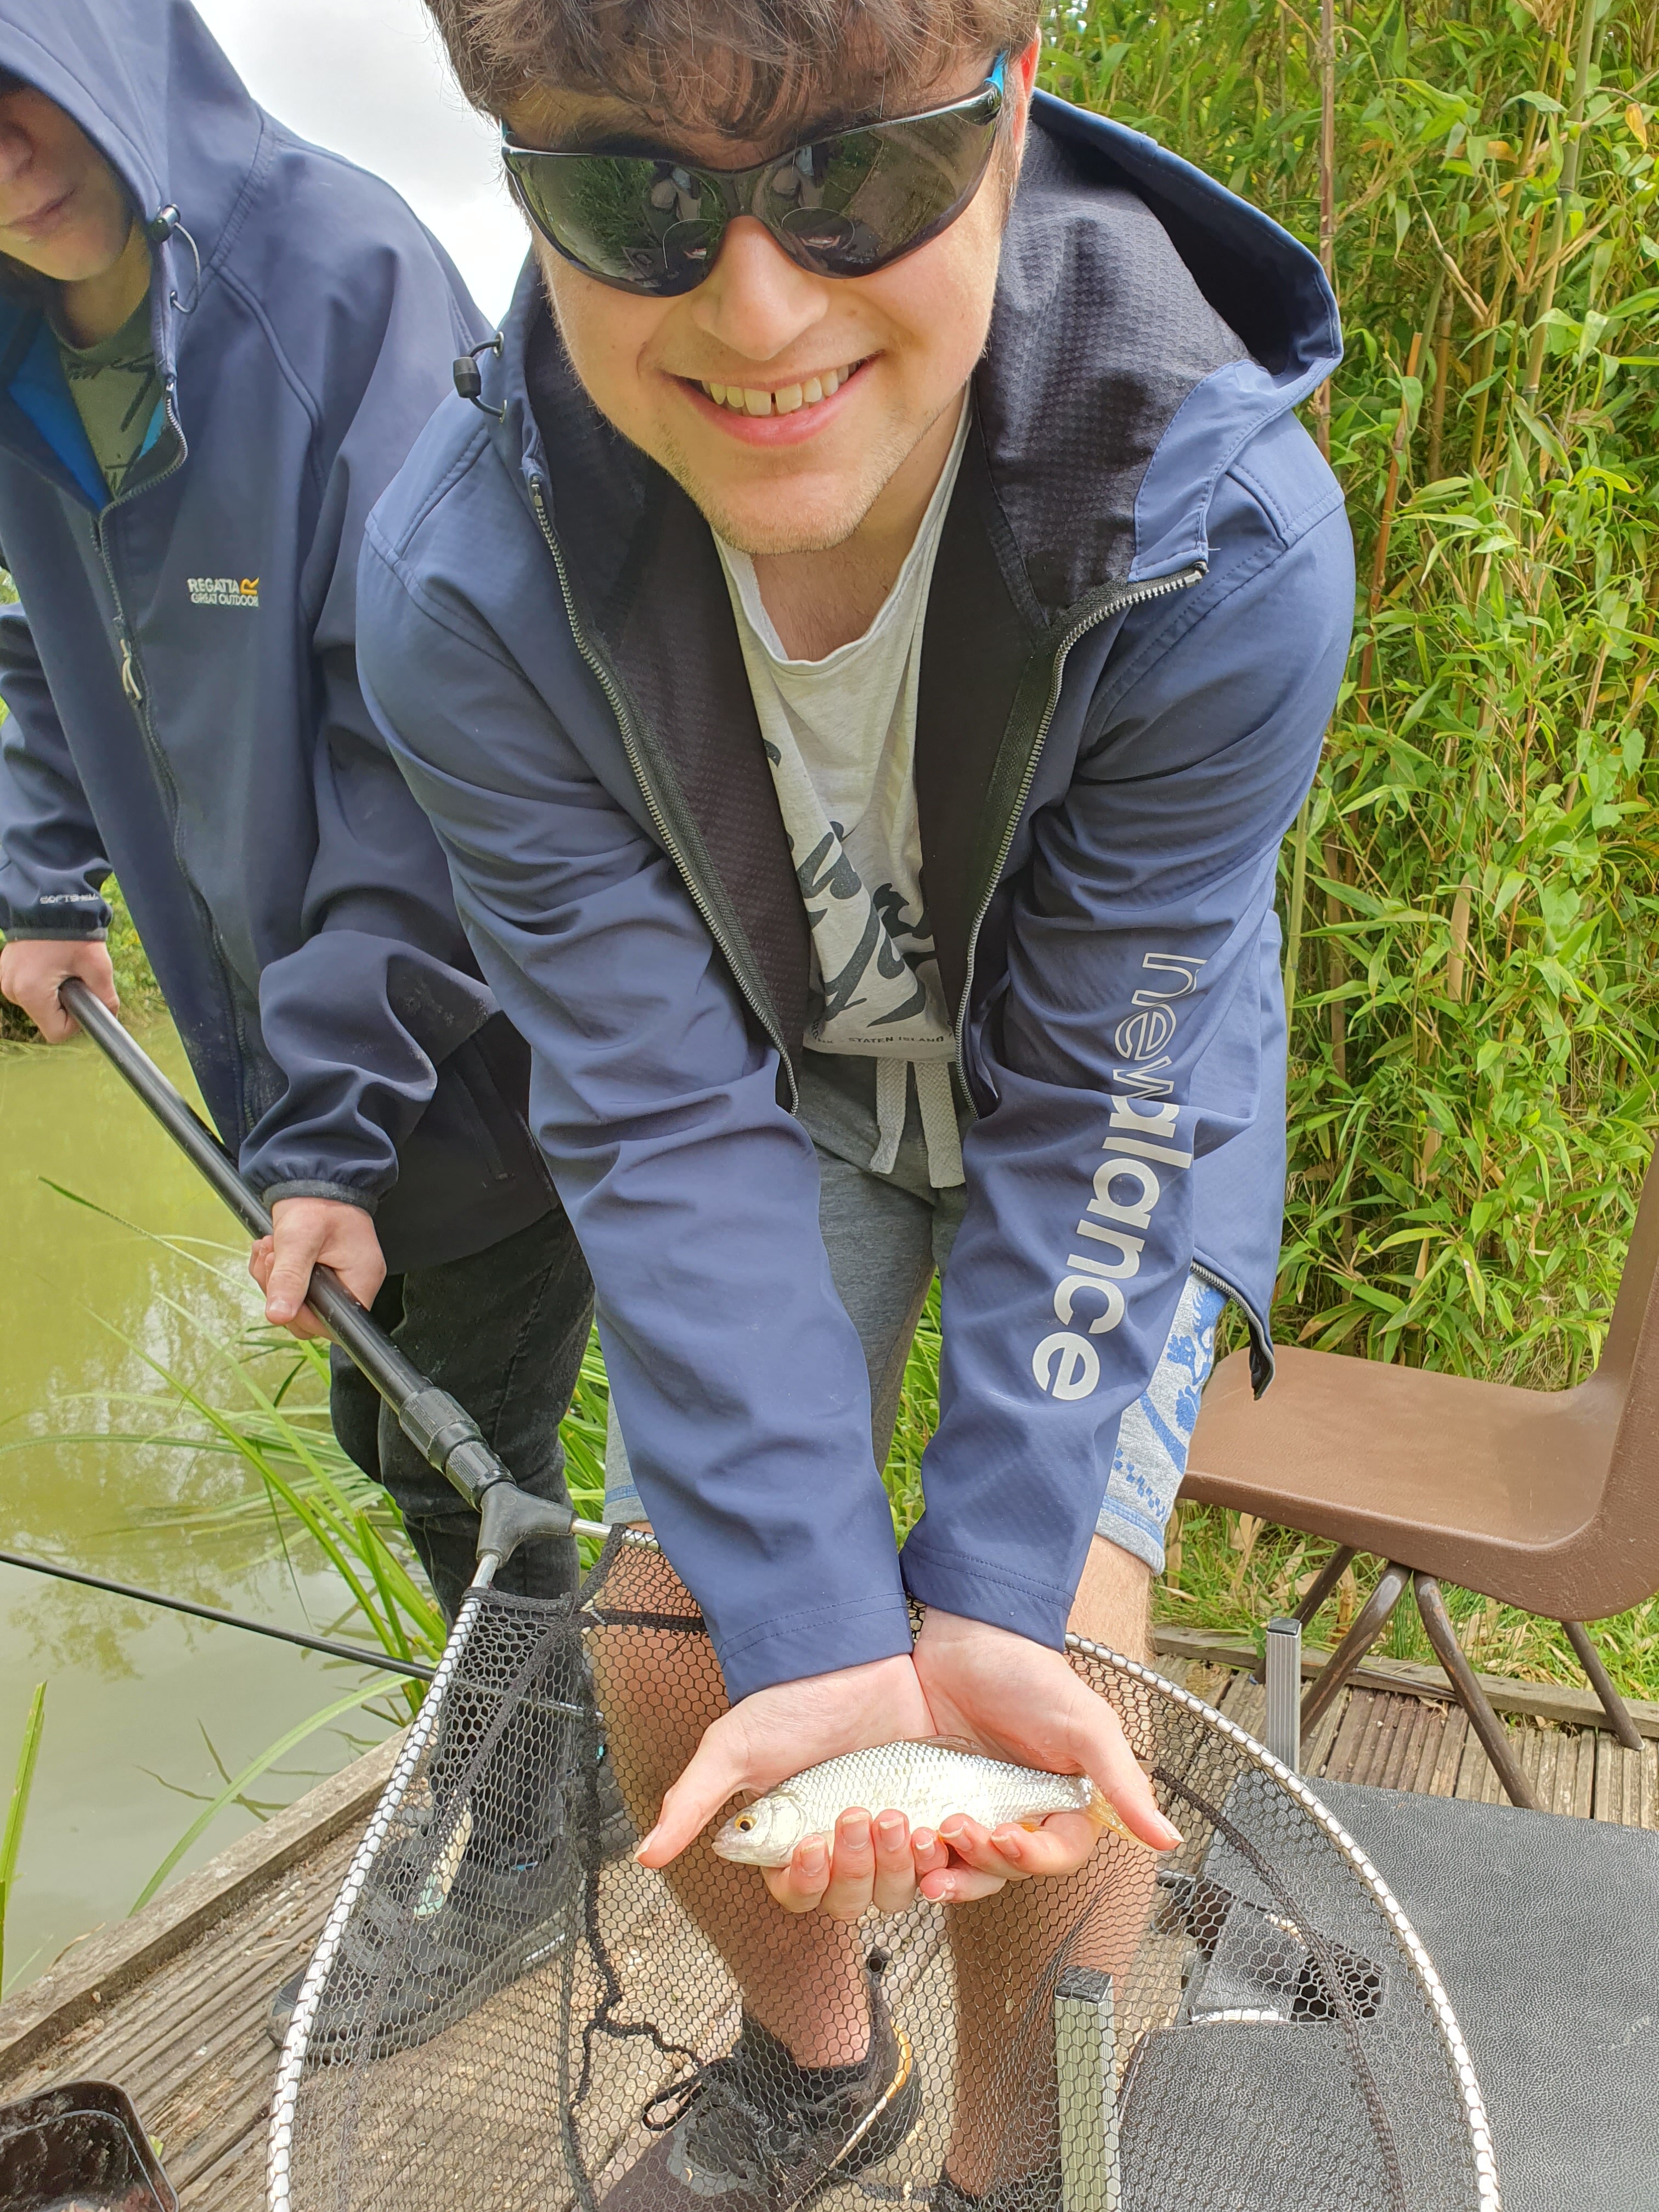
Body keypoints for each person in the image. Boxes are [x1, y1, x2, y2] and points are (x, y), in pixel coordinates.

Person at [359, 0, 1352, 2198]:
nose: (761, 305)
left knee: (1051, 1681)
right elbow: (648, 1114)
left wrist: (981, 1600)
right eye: (632, 192)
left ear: (1007, 107)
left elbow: (1108, 1081)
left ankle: (1018, 2163)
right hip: (767, 1089)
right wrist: (812, 1643)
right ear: (511, 163)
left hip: (1099, 1085)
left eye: (853, 176)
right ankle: (827, 2060)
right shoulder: (457, 591)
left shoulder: (1228, 536)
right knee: (665, 1665)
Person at [0, 0, 594, 2038]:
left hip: (494, 1021)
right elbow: (43, 630)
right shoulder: (17, 351)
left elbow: (425, 742)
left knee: (462, 1442)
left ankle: (536, 1838)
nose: (3, 147)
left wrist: (334, 1132)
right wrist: (34, 879)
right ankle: (533, 1771)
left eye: (24, 80)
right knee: (397, 1420)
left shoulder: (337, 279)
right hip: (295, 1028)